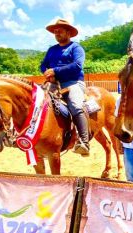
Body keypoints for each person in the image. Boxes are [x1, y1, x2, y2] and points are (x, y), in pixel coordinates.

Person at [40, 19, 89, 156]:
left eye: (60, 31)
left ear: (68, 32)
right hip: (53, 83)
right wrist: (46, 72)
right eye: (55, 32)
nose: (57, 34)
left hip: (73, 82)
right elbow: (43, 65)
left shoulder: (76, 48)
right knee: (36, 101)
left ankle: (84, 142)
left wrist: (55, 71)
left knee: (75, 105)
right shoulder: (52, 49)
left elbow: (77, 66)